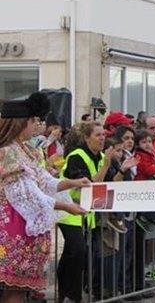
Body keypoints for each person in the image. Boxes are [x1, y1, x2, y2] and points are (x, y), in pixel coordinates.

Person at [0, 92, 89, 303]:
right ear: (20, 123)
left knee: (19, 290)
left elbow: (45, 180)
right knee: (14, 288)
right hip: (13, 225)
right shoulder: (7, 152)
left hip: (24, 223)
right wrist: (66, 206)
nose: (37, 125)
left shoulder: (25, 150)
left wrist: (73, 183)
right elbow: (26, 193)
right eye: (34, 121)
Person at [57, 121, 115, 303]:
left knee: (73, 253)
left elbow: (112, 181)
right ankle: (72, 295)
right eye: (98, 135)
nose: (102, 138)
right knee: (77, 251)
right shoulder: (77, 156)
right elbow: (88, 186)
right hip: (68, 209)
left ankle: (65, 293)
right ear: (86, 137)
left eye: (104, 135)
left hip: (85, 212)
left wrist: (122, 168)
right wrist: (105, 166)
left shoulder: (102, 156)